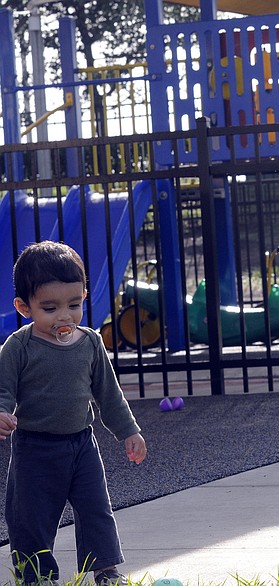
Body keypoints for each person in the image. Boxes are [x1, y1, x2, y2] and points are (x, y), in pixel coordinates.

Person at [0, 241, 147, 586]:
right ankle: (36, 576)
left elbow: (108, 395)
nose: (64, 316)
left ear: (84, 295)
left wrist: (129, 431)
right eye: (50, 308)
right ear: (24, 307)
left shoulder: (91, 342)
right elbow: (3, 389)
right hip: (35, 448)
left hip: (82, 445)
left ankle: (107, 571)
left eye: (74, 304)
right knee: (30, 517)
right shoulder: (19, 347)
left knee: (96, 510)